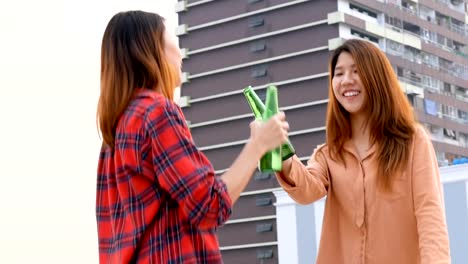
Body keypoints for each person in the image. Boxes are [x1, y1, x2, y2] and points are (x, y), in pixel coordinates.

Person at [95, 11, 289, 263]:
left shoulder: (114, 133)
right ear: (151, 50)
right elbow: (210, 205)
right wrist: (258, 145)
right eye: (172, 39)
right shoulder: (157, 112)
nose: (181, 52)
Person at [276, 39, 450, 263]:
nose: (346, 81)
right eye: (338, 74)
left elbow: (430, 217)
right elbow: (307, 189)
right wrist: (280, 149)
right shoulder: (329, 154)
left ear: (377, 78)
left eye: (356, 71)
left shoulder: (413, 142)